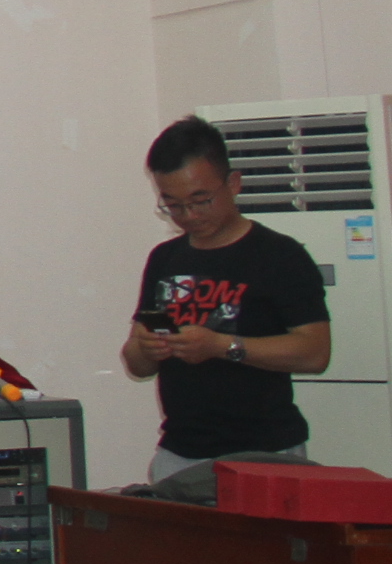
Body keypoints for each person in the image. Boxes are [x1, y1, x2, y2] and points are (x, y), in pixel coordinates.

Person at [122, 114, 334, 494]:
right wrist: (146, 348)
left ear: (233, 183)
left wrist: (222, 346)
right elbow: (137, 363)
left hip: (266, 453)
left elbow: (315, 352)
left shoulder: (280, 256)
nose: (189, 216)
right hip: (180, 453)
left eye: (200, 200)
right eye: (173, 205)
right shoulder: (165, 259)